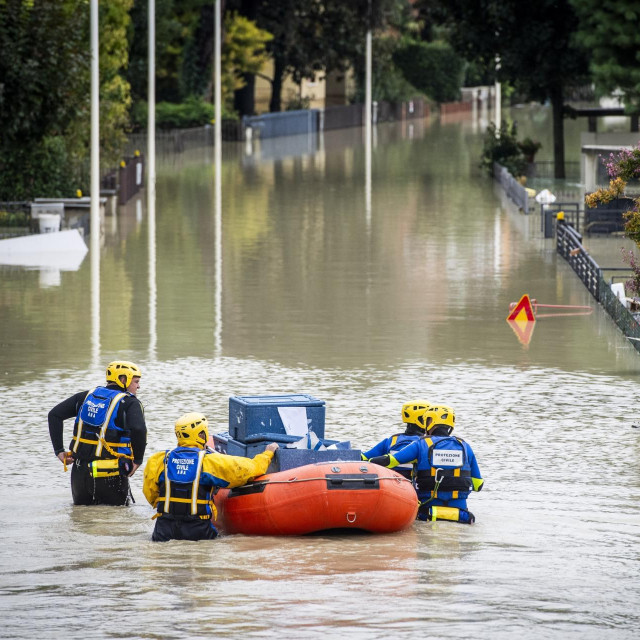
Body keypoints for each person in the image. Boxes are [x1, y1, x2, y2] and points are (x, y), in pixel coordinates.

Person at [143, 412, 279, 542]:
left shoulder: (158, 460)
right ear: (201, 435)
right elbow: (251, 469)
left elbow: (150, 495)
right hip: (197, 531)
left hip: (163, 531)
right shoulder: (209, 462)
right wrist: (267, 454)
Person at [48, 360, 147, 506]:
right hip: (109, 474)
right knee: (118, 524)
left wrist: (59, 451)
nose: (138, 386)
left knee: (82, 522)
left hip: (79, 474)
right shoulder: (130, 403)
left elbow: (54, 415)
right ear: (123, 379)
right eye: (136, 381)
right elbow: (139, 430)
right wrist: (138, 460)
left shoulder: (86, 396)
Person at [369, 405, 483, 524]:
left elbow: (390, 460)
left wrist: (369, 462)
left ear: (431, 421)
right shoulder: (465, 447)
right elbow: (478, 485)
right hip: (461, 515)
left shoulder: (421, 444)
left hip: (426, 513)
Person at [361, 400, 431, 479]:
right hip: (413, 488)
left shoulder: (391, 440)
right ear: (421, 419)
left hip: (389, 483)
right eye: (428, 419)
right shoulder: (425, 443)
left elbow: (363, 457)